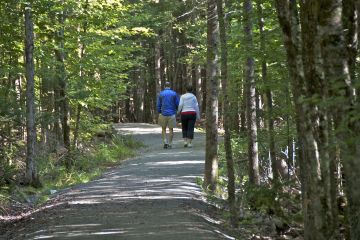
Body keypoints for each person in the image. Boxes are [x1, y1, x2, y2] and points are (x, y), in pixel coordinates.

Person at [157, 82, 179, 149]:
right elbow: (177, 103)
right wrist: (177, 111)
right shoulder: (174, 93)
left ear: (164, 86)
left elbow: (158, 104)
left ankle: (165, 142)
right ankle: (170, 143)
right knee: (171, 129)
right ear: (170, 86)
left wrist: (159, 111)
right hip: (171, 114)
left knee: (163, 128)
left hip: (163, 113)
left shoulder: (161, 93)